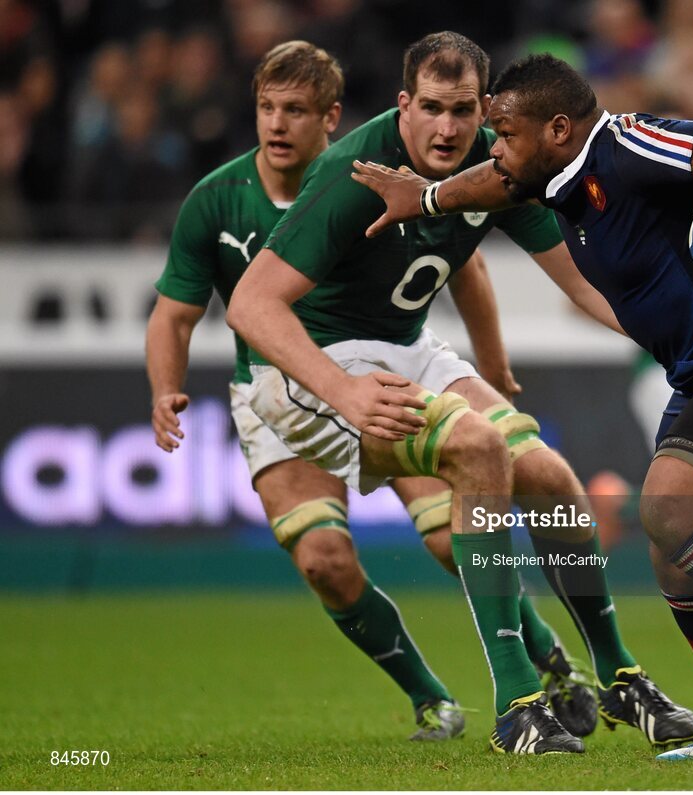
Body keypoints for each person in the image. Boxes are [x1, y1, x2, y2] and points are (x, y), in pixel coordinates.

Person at [352, 53, 693, 762]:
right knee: (676, 559)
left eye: (506, 134)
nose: (494, 148)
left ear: (559, 129)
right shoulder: (550, 179)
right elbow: (497, 181)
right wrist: (426, 199)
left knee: (671, 507)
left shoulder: (625, 146)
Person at [228, 33, 693, 755]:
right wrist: (343, 391)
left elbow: (578, 283)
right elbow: (251, 305)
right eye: (431, 108)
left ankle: (618, 672)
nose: (446, 128)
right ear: (404, 106)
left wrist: (683, 340)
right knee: (480, 448)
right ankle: (518, 703)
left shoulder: (498, 159)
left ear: (485, 109)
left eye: (461, 111)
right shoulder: (355, 172)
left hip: (408, 348)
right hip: (309, 369)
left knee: (549, 474)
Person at [145, 40, 581, 745]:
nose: (278, 124)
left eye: (296, 110)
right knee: (324, 561)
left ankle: (544, 658)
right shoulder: (215, 200)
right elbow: (175, 314)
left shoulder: (366, 177)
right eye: (266, 108)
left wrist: (493, 365)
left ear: (331, 118)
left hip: (375, 370)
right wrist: (165, 388)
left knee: (450, 535)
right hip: (276, 392)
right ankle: (432, 697)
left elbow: (464, 267)